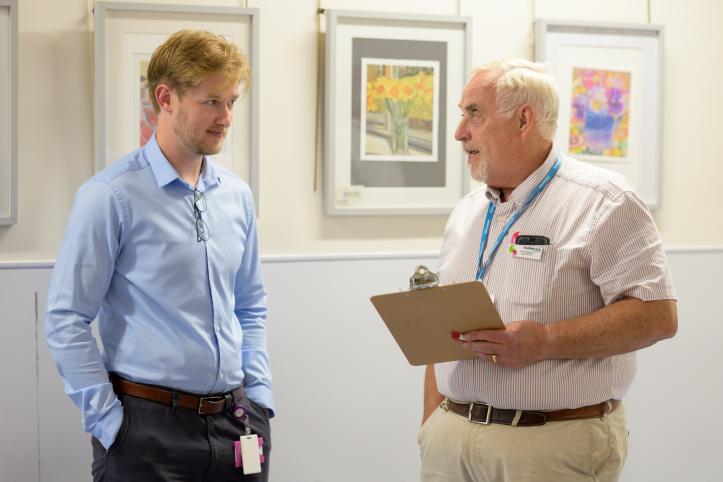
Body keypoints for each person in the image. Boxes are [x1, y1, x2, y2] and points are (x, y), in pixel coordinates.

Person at [419, 59, 678, 482]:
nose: (459, 132)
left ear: (523, 119)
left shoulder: (604, 201)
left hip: (550, 445)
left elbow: (658, 317)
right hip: (451, 442)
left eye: (474, 113)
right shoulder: (466, 213)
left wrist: (545, 341)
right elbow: (440, 335)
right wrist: (433, 422)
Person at [45, 30, 272, 481]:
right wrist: (111, 425)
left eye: (231, 101)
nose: (226, 117)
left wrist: (260, 397)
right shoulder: (110, 196)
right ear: (166, 97)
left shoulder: (237, 196)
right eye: (211, 102)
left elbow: (250, 306)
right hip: (145, 434)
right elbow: (66, 319)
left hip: (238, 424)